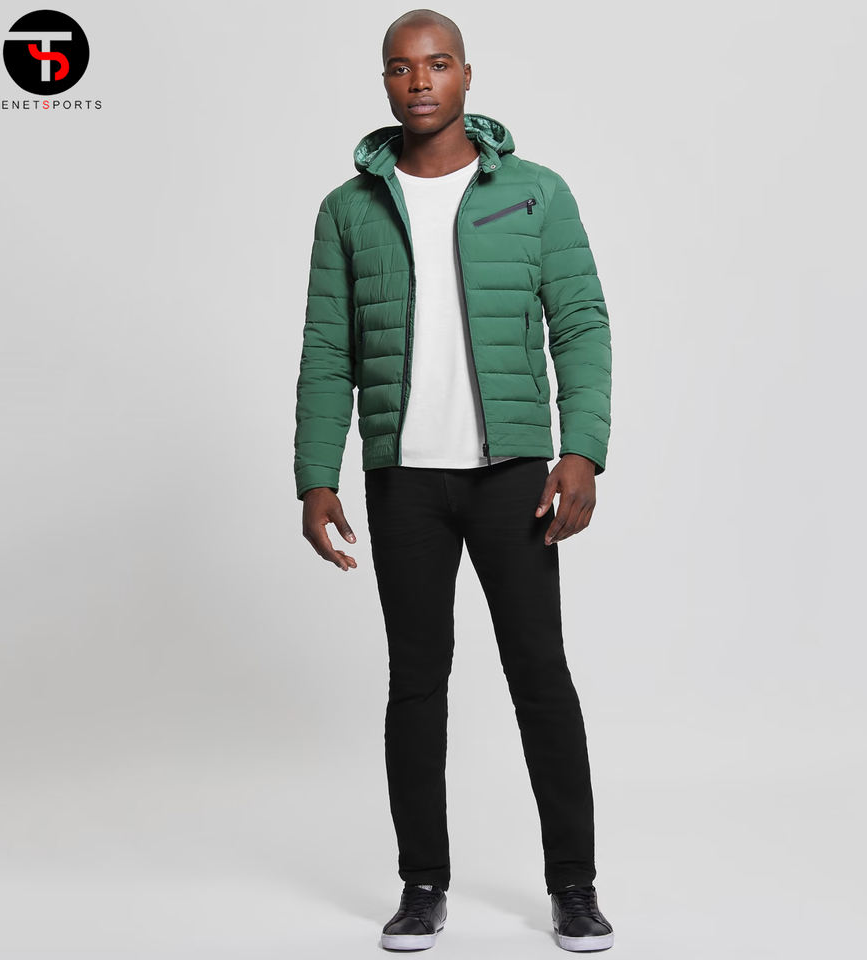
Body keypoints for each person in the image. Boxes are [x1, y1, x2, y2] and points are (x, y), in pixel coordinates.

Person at [294, 8, 614, 952]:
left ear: (467, 76)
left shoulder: (536, 193)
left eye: (437, 64)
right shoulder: (349, 209)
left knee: (540, 676)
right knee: (416, 685)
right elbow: (326, 350)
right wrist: (315, 474)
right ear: (384, 83)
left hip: (512, 474)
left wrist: (582, 451)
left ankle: (574, 886)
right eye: (401, 68)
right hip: (404, 481)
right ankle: (422, 883)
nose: (420, 82)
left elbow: (581, 322)